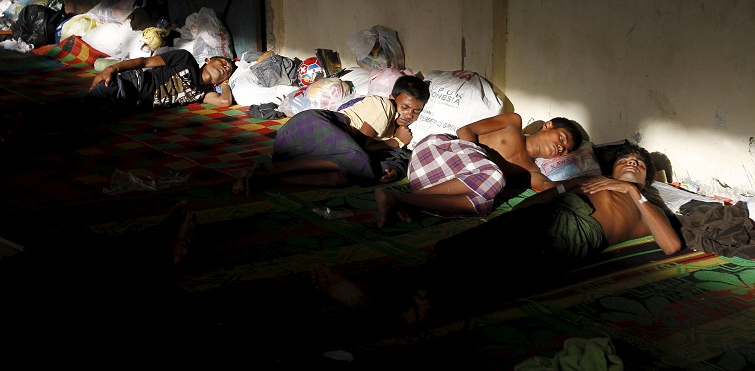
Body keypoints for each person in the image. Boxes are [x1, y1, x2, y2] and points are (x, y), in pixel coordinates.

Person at [314, 144, 685, 330]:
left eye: (639, 163)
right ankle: (376, 292)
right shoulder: (591, 181)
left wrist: (631, 192)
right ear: (611, 167)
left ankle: (397, 313)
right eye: (624, 160)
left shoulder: (647, 206)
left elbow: (671, 246)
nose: (631, 162)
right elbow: (537, 202)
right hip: (546, 214)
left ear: (647, 178)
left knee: (500, 267)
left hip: (575, 231)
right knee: (462, 249)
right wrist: (560, 190)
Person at [233, 75, 431, 195]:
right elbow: (361, 145)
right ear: (392, 98)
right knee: (357, 161)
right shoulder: (384, 105)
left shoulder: (394, 129)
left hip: (302, 150)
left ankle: (266, 178)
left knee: (346, 178)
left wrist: (392, 171)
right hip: (310, 127)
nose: (409, 115)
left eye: (416, 111)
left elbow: (389, 157)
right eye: (405, 107)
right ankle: (269, 170)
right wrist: (396, 141)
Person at [375, 112, 582, 226]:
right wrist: (477, 158)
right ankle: (406, 200)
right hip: (435, 152)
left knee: (484, 205)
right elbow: (466, 130)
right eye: (561, 138)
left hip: (431, 181)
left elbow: (548, 186)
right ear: (548, 125)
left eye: (565, 150)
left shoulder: (530, 171)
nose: (560, 147)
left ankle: (406, 200)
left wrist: (583, 182)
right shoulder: (513, 123)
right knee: (494, 176)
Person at [0, 48, 235, 141]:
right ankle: (18, 119)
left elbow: (225, 101)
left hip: (128, 106)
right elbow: (144, 61)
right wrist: (112, 68)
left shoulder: (201, 93)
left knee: (80, 120)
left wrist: (228, 81)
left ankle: (23, 126)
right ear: (207, 60)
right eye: (222, 62)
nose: (225, 67)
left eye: (227, 69)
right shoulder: (185, 59)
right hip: (125, 85)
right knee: (82, 108)